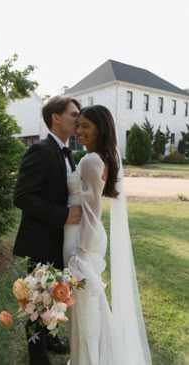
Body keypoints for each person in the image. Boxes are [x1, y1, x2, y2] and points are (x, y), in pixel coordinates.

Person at [63, 105, 152, 365]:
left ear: (101, 129)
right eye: (77, 125)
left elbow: (92, 213)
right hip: (87, 237)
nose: (79, 131)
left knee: (86, 306)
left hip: (83, 239)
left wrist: (79, 256)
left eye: (86, 126)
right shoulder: (99, 157)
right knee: (90, 304)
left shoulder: (91, 160)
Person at [13, 95, 82, 365]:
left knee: (56, 294)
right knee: (36, 301)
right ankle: (37, 356)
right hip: (41, 240)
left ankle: (51, 339)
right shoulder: (40, 151)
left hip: (61, 240)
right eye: (73, 114)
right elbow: (22, 196)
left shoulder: (67, 153)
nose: (78, 119)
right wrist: (64, 215)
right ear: (56, 117)